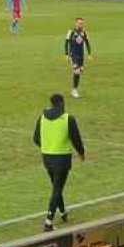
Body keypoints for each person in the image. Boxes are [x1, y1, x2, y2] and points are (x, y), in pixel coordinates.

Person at [33, 93, 85, 232]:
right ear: (61, 103)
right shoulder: (68, 118)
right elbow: (76, 139)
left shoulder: (42, 117)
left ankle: (63, 213)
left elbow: (36, 139)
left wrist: (48, 146)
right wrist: (81, 153)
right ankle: (48, 222)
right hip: (62, 159)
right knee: (57, 188)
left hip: (47, 158)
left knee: (57, 186)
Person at [64, 17, 92, 99]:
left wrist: (89, 54)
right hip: (74, 54)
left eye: (82, 23)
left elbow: (87, 43)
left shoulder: (84, 32)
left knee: (80, 71)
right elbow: (66, 43)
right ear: (76, 23)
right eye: (79, 23)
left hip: (81, 55)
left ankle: (74, 88)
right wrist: (66, 54)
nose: (81, 24)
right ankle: (74, 90)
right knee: (77, 71)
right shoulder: (71, 32)